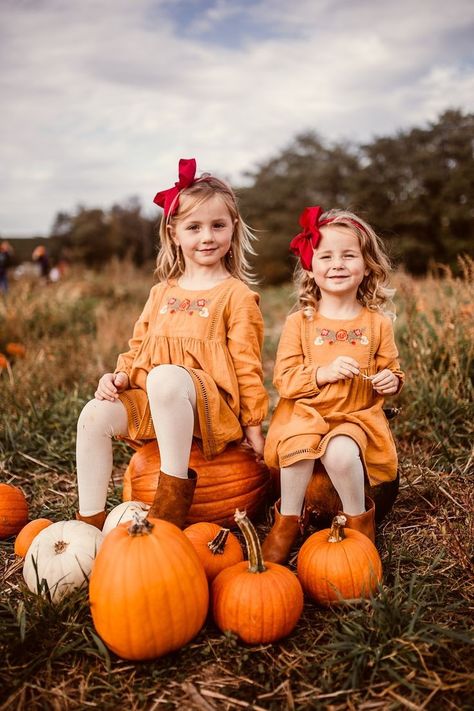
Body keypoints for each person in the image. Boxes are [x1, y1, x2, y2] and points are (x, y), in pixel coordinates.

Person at [75, 158, 268, 530]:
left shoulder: (236, 296)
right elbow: (137, 348)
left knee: (165, 377)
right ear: (175, 234)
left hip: (210, 410)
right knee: (93, 415)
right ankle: (89, 524)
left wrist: (254, 427)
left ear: (233, 229)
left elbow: (247, 365)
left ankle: (169, 508)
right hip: (157, 398)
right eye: (194, 227)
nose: (207, 236)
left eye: (217, 225)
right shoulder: (161, 293)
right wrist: (117, 376)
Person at [262, 206, 404, 563]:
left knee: (340, 453)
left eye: (348, 255)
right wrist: (321, 373)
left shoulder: (377, 324)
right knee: (294, 454)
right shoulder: (300, 324)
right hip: (307, 413)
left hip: (355, 418)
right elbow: (285, 379)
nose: (337, 264)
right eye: (326, 256)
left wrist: (391, 381)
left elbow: (392, 370)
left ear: (366, 264)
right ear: (311, 266)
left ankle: (360, 526)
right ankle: (287, 522)